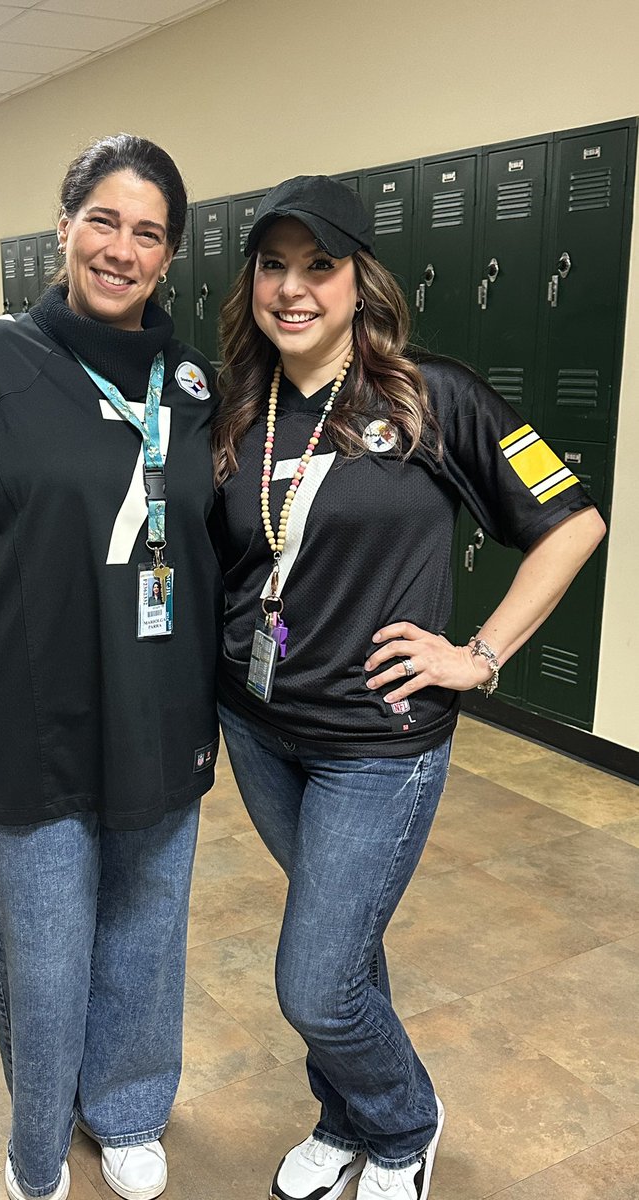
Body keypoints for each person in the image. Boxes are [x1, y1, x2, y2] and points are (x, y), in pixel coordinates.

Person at [211, 175, 606, 1200]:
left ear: (358, 280)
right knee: (341, 947)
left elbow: (573, 525)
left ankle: (403, 1125)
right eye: (273, 266)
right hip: (258, 727)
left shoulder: (431, 396)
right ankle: (342, 1118)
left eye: (319, 266)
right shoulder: (238, 406)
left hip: (377, 745)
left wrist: (479, 653)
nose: (292, 289)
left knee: (315, 981)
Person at [0, 134, 222, 1200]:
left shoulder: (195, 379)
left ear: (170, 256)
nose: (123, 248)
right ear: (65, 225)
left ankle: (126, 1110)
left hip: (159, 706)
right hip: (23, 709)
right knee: (45, 952)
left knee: (146, 934)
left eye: (148, 232)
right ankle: (37, 1150)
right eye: (105, 221)